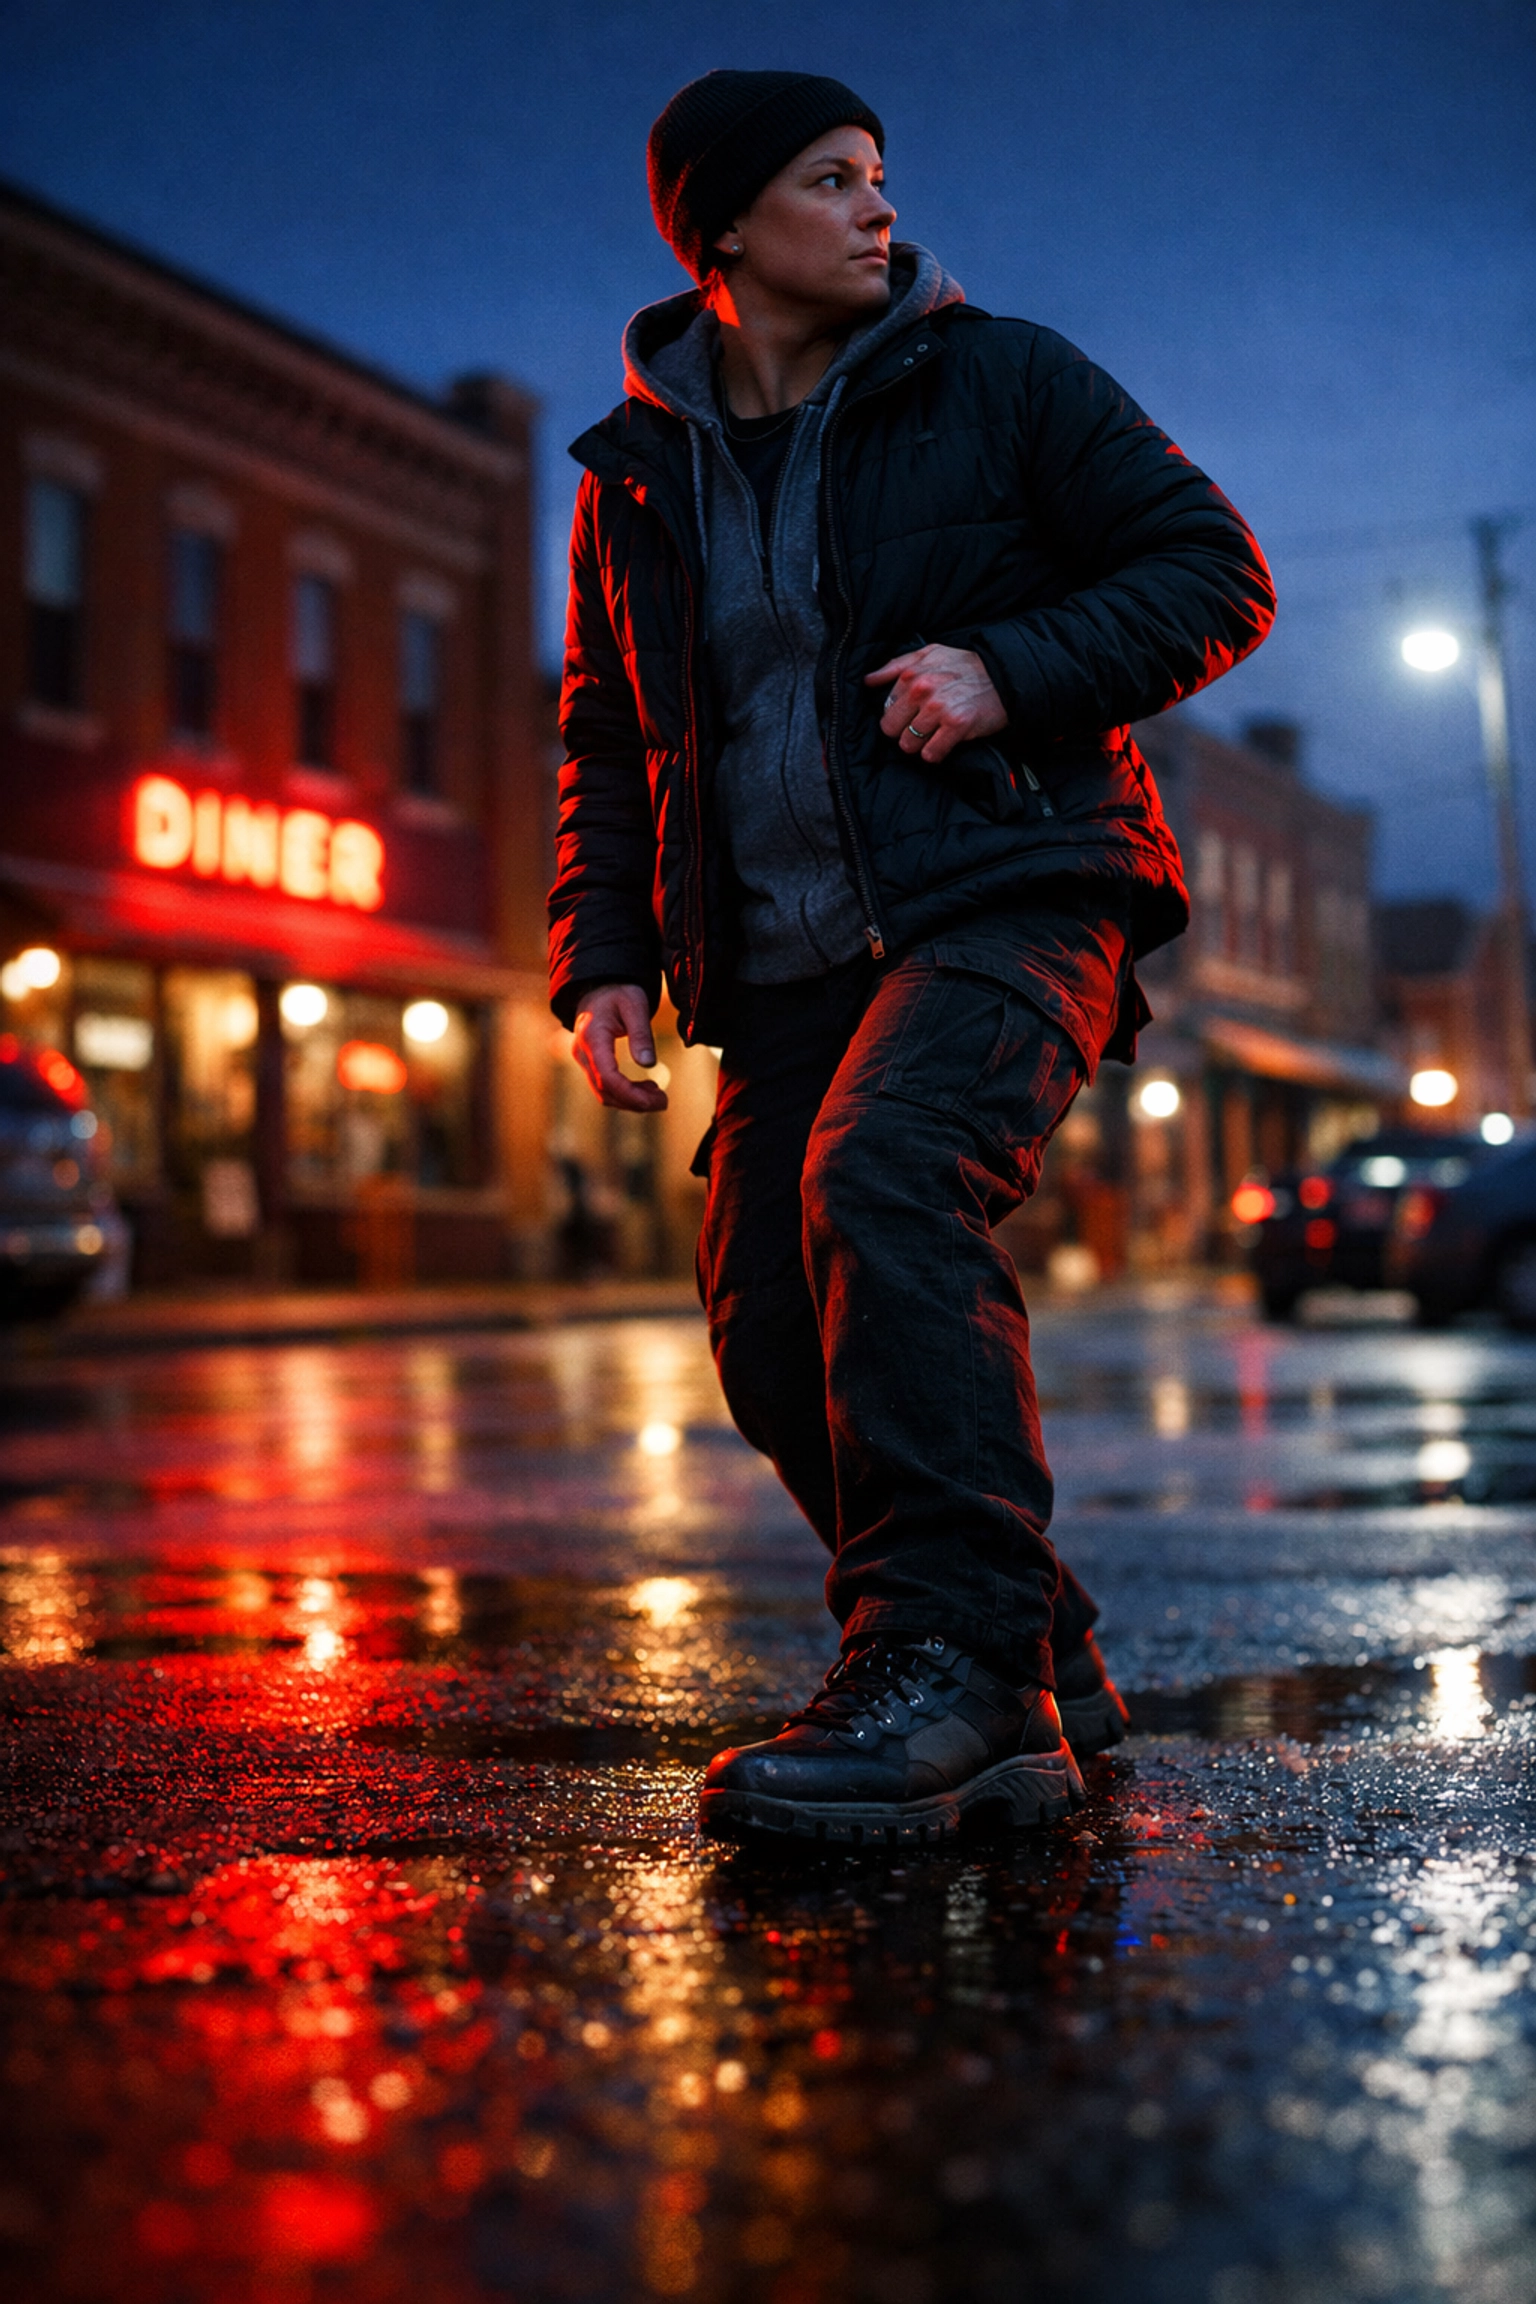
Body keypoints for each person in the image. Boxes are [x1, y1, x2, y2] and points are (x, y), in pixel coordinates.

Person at [549, 69, 1275, 1844]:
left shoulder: (1002, 377)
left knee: (883, 1173)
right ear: (723, 230)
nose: (879, 208)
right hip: (786, 958)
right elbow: (608, 737)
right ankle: (1040, 1655)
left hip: (1017, 885)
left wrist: (1009, 668)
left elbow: (1214, 570)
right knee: (765, 1320)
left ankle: (950, 1668)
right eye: (830, 180)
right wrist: (605, 953)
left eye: (878, 176)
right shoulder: (633, 479)